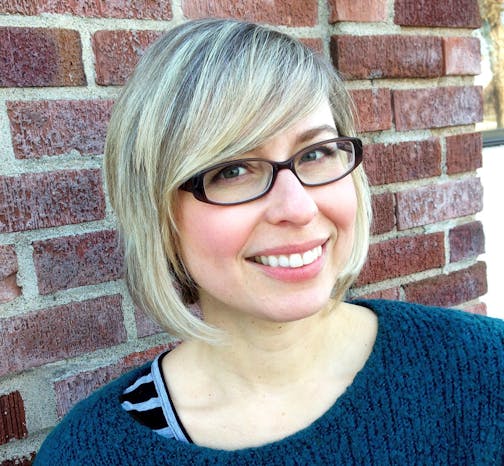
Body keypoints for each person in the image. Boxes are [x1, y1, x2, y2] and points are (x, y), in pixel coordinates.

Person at [34, 18, 503, 465]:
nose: (298, 208)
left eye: (316, 153)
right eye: (232, 170)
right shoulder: (90, 453)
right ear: (158, 214)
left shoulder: (484, 370)